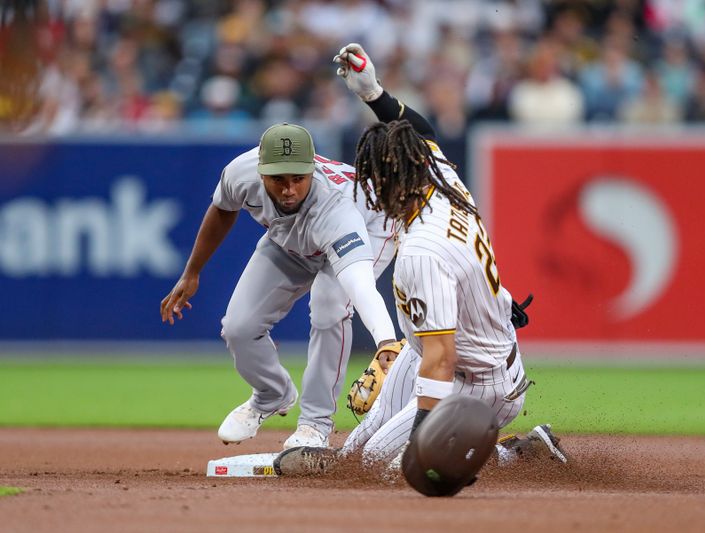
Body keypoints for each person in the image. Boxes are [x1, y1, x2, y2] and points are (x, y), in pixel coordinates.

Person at [275, 44, 566, 474]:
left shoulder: (422, 250)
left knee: (381, 469)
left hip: (479, 383)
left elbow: (442, 360)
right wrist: (373, 93)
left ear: (391, 183)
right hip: (439, 346)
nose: (369, 192)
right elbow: (420, 131)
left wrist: (423, 441)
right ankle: (469, 449)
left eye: (373, 180)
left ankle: (511, 454)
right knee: (353, 455)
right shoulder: (438, 178)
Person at [160, 121, 399, 449]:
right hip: (291, 238)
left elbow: (359, 284)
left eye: (298, 178)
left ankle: (315, 425)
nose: (289, 189)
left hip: (370, 227)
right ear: (260, 172)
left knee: (330, 307)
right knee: (239, 328)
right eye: (278, 179)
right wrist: (192, 272)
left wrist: (386, 339)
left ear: (312, 170)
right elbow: (222, 209)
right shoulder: (239, 172)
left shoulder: (338, 209)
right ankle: (272, 394)